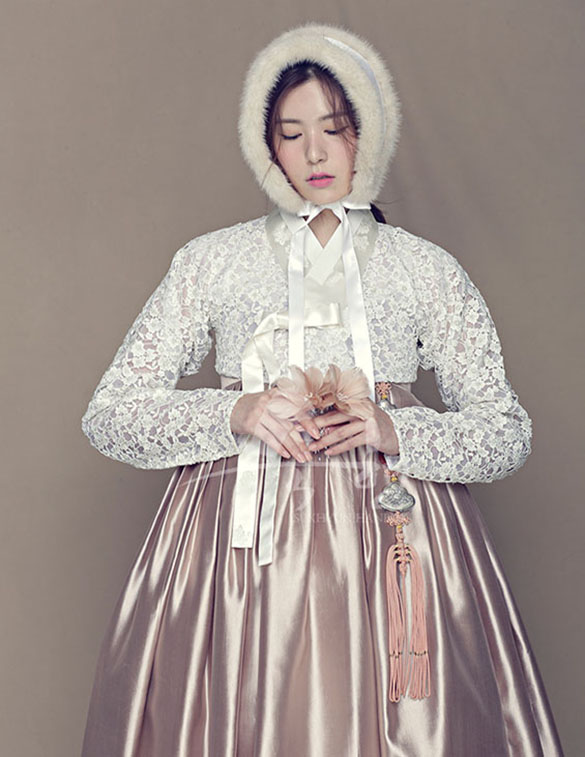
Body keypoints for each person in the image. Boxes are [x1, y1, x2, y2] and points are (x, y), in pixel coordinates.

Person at [80, 22, 564, 757]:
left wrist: (395, 427)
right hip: (237, 553)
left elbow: (506, 431)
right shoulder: (211, 261)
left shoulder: (425, 268)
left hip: (402, 544)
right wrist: (237, 408)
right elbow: (110, 414)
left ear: (370, 132)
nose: (314, 154)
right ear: (265, 145)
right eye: (291, 133)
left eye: (334, 129)